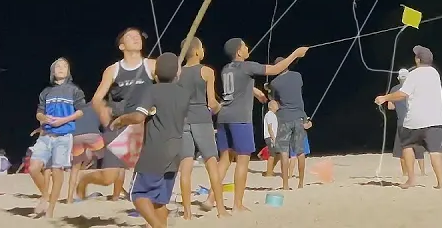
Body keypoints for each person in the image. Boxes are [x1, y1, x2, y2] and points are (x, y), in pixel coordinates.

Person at [216, 39, 308, 210]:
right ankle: (237, 205)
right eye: (244, 46)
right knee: (242, 161)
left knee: (224, 160)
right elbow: (276, 69)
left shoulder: (226, 69)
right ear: (239, 52)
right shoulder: (247, 66)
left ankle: (210, 199)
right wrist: (295, 54)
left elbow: (238, 86)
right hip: (240, 118)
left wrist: (255, 92)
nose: (247, 48)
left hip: (223, 117)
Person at [113, 54, 190, 228]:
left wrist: (121, 119)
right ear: (177, 73)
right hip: (176, 150)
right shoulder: (184, 94)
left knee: (138, 195)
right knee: (159, 201)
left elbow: (138, 117)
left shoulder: (152, 91)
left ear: (155, 73)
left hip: (155, 151)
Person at [89, 27, 154, 201]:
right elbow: (96, 98)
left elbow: (167, 84)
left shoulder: (151, 65)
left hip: (144, 123)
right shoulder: (113, 70)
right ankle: (87, 180)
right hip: (119, 122)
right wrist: (102, 110)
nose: (136, 38)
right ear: (121, 46)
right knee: (108, 176)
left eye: (138, 36)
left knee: (144, 167)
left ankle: (128, 196)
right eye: (130, 36)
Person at [374, 45, 442, 189]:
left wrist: (385, 98)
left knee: (407, 146)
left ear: (418, 59)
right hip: (436, 120)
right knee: (435, 152)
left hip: (415, 120)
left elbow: (403, 94)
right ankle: (440, 183)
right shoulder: (435, 73)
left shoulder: (414, 74)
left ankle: (411, 180)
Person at [174, 38, 223, 219]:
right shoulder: (207, 71)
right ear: (196, 51)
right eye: (202, 47)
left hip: (182, 120)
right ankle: (221, 210)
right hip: (202, 119)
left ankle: (187, 213)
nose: (203, 50)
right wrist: (219, 108)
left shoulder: (177, 73)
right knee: (212, 164)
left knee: (185, 167)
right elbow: (212, 103)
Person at [29, 58, 84, 218]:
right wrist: (43, 118)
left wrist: (64, 120)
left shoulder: (74, 90)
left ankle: (51, 209)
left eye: (64, 66)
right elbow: (39, 113)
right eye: (57, 66)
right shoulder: (46, 91)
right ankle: (45, 195)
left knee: (56, 170)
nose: (61, 68)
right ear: (52, 71)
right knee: (33, 168)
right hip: (45, 135)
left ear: (68, 71)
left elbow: (80, 111)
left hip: (63, 137)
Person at [269, 51, 314, 190]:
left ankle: (285, 185)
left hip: (284, 118)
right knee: (300, 152)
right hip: (299, 117)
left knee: (284, 152)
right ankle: (301, 183)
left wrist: (268, 90)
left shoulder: (274, 83)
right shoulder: (297, 76)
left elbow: (275, 100)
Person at [386, 69, 426, 177]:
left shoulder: (394, 89)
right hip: (415, 120)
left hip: (402, 122)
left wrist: (399, 106)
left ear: (398, 78)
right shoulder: (415, 88)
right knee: (418, 147)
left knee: (403, 148)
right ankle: (422, 172)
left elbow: (390, 107)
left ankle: (405, 173)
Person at [262, 100, 280, 177]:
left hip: (273, 137)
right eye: (275, 104)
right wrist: (273, 139)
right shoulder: (269, 114)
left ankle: (270, 170)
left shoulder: (273, 115)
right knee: (272, 155)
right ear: (271, 106)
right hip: (270, 137)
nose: (277, 105)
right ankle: (269, 173)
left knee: (278, 155)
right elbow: (270, 128)